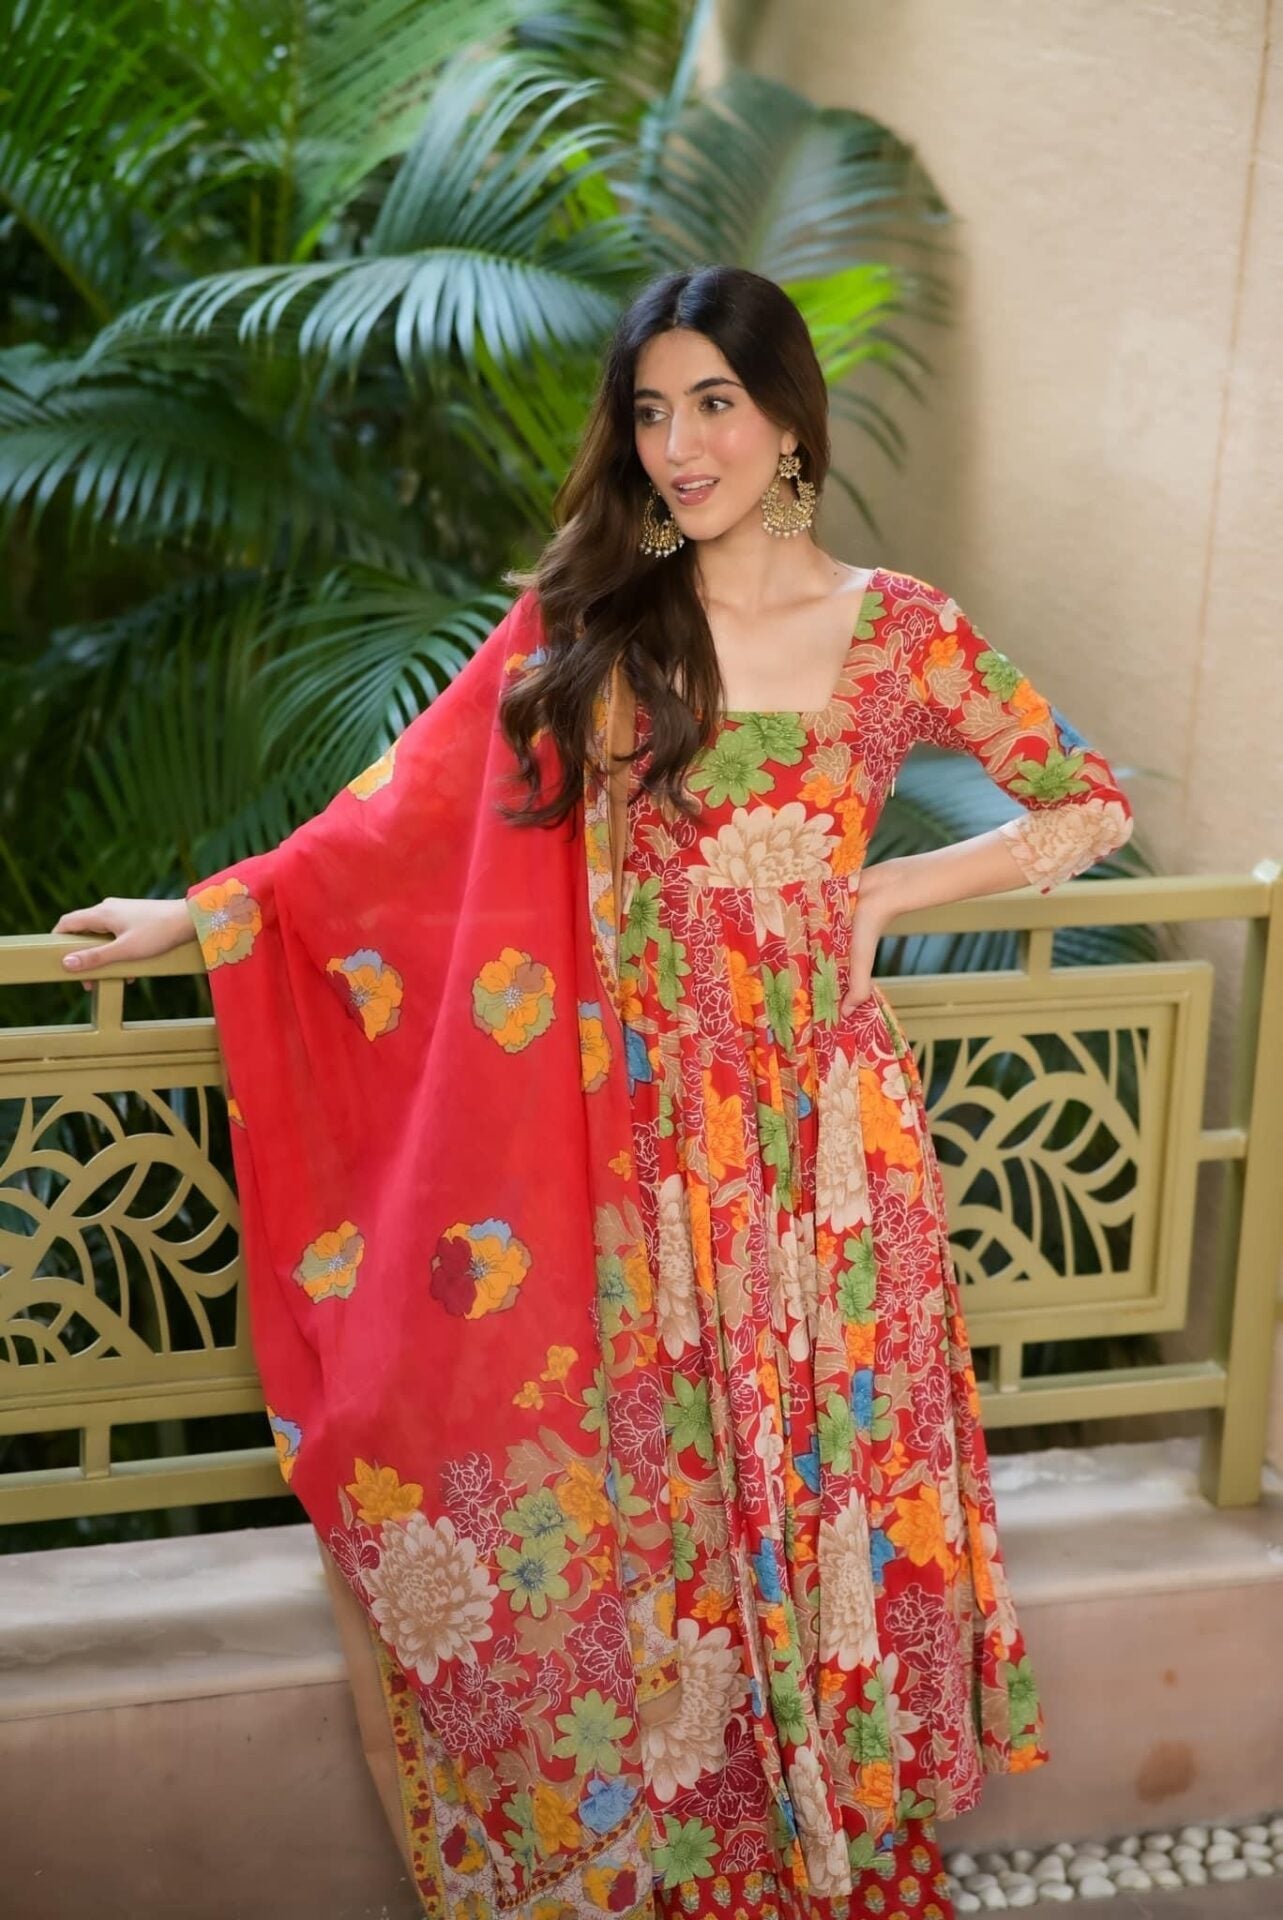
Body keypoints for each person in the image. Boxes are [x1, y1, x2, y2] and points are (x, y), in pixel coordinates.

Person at [53, 265, 1133, 1920]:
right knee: (672, 1517)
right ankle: (692, 1872)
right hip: (643, 1149)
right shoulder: (602, 625)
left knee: (828, 1485)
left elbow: (1086, 803)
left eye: (715, 404)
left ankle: (842, 1865)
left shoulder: (901, 627)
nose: (680, 445)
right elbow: (400, 823)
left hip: (831, 1156)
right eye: (651, 412)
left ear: (789, 423)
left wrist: (893, 891)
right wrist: (211, 914)